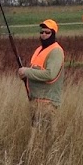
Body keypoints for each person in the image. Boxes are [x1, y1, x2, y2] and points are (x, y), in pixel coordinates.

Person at [16, 19, 65, 155]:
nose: (43, 34)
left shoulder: (56, 51)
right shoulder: (39, 50)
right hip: (35, 100)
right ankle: (34, 161)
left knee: (49, 138)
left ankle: (52, 161)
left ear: (53, 34)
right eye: (42, 32)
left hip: (47, 102)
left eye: (47, 32)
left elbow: (50, 74)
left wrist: (27, 72)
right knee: (34, 140)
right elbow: (35, 71)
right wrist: (25, 76)